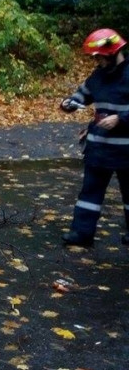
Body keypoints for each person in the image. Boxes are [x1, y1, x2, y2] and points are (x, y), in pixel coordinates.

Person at [59, 28, 129, 247]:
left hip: (126, 149)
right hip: (99, 147)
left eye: (100, 57)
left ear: (113, 52)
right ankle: (81, 234)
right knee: (89, 193)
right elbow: (81, 96)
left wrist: (121, 119)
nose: (98, 62)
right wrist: (69, 103)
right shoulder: (98, 77)